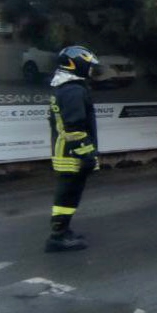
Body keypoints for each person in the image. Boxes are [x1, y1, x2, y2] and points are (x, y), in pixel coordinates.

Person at [45, 46, 102, 252]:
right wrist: (86, 152)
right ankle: (57, 236)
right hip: (72, 151)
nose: (91, 70)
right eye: (89, 65)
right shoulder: (73, 90)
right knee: (68, 192)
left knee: (70, 192)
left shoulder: (66, 86)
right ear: (76, 64)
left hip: (67, 149)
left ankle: (63, 230)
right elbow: (75, 126)